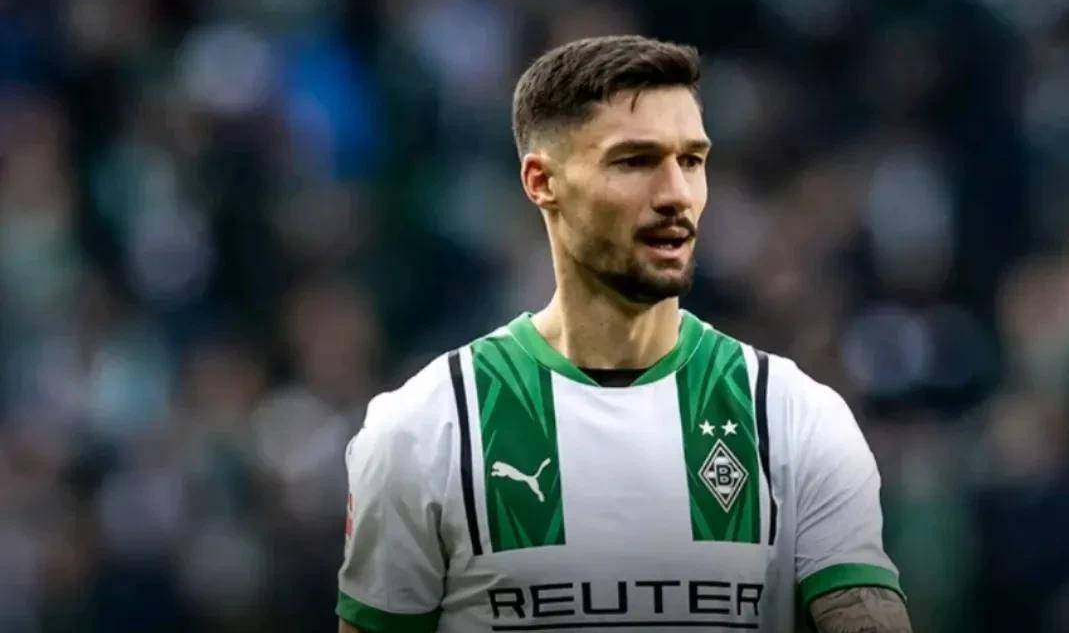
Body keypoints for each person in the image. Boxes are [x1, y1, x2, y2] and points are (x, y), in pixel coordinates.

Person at [336, 35, 912, 633]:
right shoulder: (426, 429)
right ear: (541, 181)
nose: (676, 195)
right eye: (635, 161)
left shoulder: (794, 418)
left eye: (692, 161)